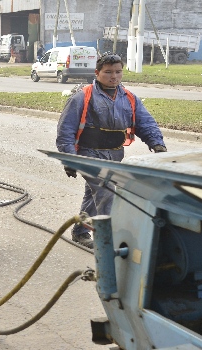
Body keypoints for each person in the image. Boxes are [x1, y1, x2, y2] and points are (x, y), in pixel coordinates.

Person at [56, 53, 167, 249]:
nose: (113, 76)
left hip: (114, 155)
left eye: (118, 72)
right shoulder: (83, 96)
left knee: (94, 193)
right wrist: (69, 159)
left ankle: (81, 231)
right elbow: (66, 129)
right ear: (97, 73)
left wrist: (157, 143)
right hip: (88, 154)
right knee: (106, 192)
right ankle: (108, 242)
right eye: (108, 72)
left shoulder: (129, 98)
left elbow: (145, 122)